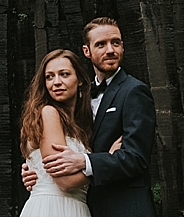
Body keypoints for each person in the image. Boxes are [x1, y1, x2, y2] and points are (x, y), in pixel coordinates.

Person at [22, 17, 157, 216]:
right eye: (101, 44)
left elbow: (137, 157)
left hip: (124, 207)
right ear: (87, 51)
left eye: (116, 43)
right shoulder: (76, 103)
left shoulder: (134, 91)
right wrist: (34, 169)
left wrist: (87, 162)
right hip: (78, 206)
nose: (110, 50)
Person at [17, 49, 95, 216]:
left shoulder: (80, 124)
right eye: (49, 77)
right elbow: (65, 182)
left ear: (80, 79)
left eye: (64, 74)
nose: (56, 82)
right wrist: (106, 162)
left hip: (77, 207)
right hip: (52, 208)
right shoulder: (48, 113)